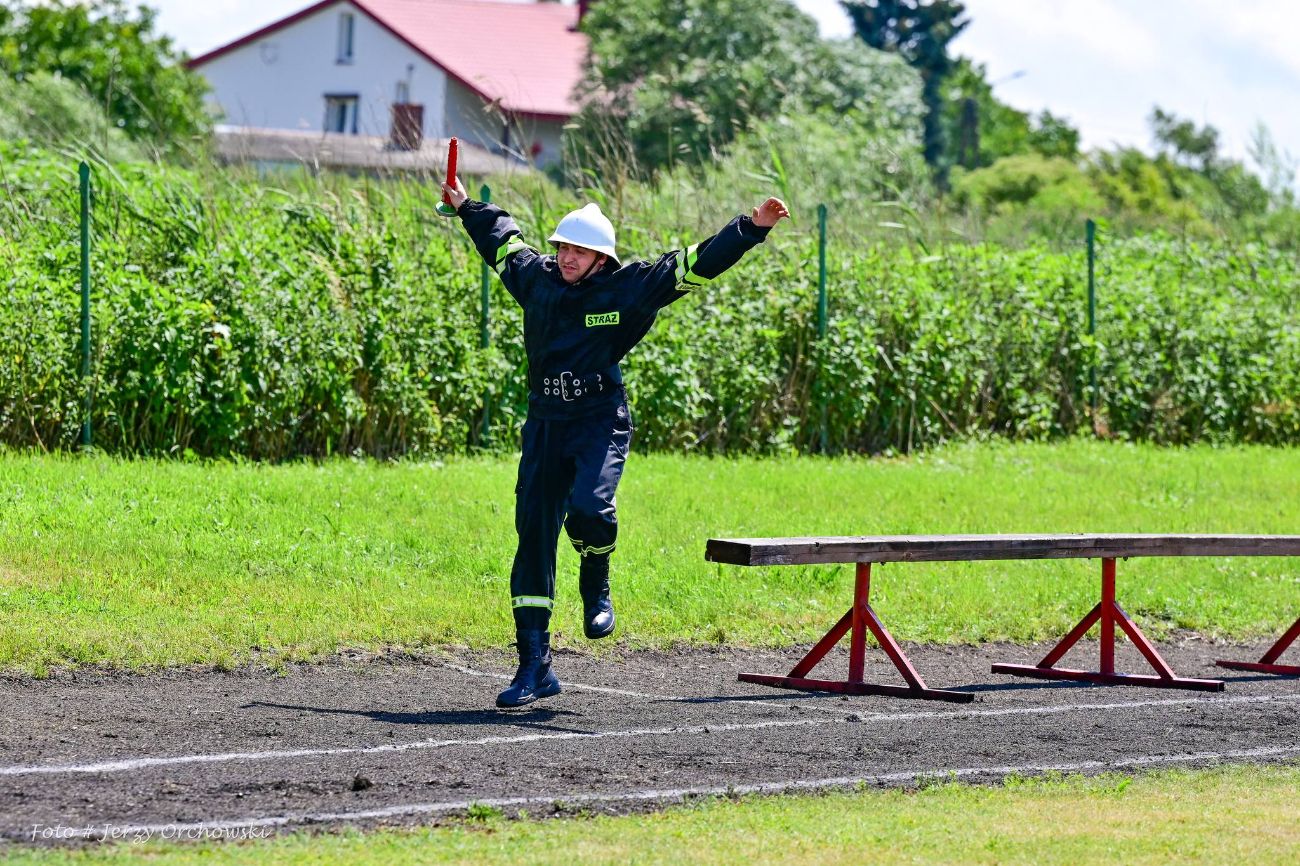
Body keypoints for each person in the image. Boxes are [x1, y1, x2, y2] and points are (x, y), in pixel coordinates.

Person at [442, 177, 789, 708]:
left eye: (579, 251)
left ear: (602, 258)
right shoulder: (535, 279)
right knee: (532, 536)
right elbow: (501, 238)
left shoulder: (627, 289)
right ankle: (534, 666)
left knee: (589, 509)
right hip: (544, 423)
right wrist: (466, 205)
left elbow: (694, 262)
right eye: (562, 248)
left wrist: (751, 228)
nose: (567, 258)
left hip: (599, 417)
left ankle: (595, 580)